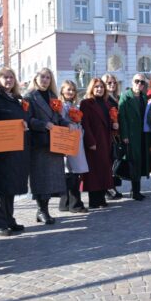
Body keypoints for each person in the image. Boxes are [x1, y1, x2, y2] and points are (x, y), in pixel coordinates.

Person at [0, 68, 31, 236]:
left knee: (10, 185)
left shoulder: (17, 99)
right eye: (5, 77)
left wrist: (24, 124)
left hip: (16, 148)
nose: (9, 80)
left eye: (12, 77)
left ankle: (9, 218)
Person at [23, 68, 69, 225]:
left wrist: (67, 124)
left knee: (52, 179)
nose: (45, 80)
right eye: (42, 77)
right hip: (40, 142)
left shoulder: (53, 96)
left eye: (48, 77)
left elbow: (58, 117)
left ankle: (43, 210)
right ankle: (42, 210)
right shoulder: (29, 97)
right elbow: (28, 120)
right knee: (41, 178)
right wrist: (44, 124)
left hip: (55, 142)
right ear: (36, 78)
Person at [80, 78, 115, 208]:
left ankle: (101, 198)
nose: (99, 89)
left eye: (101, 87)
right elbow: (85, 124)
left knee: (104, 170)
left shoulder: (106, 104)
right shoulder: (86, 103)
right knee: (94, 172)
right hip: (94, 141)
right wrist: (90, 141)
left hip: (105, 140)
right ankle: (94, 200)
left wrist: (114, 125)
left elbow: (108, 121)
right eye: (96, 87)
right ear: (91, 89)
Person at [57, 80, 89, 213]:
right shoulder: (62, 106)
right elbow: (61, 122)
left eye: (73, 90)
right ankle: (74, 204)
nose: (71, 92)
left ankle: (65, 203)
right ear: (62, 91)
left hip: (76, 139)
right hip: (68, 139)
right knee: (71, 172)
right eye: (68, 89)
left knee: (72, 172)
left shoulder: (74, 105)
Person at [118, 74, 150, 200]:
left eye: (142, 82)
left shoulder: (144, 97)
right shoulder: (126, 96)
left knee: (141, 161)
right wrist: (124, 135)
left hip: (142, 133)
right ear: (132, 82)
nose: (139, 84)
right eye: (137, 81)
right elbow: (122, 117)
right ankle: (135, 191)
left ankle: (136, 190)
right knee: (134, 162)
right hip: (131, 134)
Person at [101, 73, 123, 200]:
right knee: (109, 162)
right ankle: (108, 189)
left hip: (117, 134)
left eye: (114, 82)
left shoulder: (117, 98)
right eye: (109, 83)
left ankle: (112, 186)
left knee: (115, 161)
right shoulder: (105, 100)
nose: (112, 85)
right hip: (109, 134)